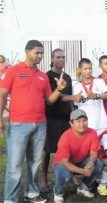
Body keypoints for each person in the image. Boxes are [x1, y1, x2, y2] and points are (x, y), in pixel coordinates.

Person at [0, 40, 67, 203]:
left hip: (40, 125)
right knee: (14, 166)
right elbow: (2, 95)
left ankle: (31, 193)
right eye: (37, 52)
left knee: (34, 162)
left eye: (42, 53)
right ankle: (10, 199)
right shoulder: (13, 71)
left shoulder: (42, 76)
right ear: (27, 51)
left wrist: (58, 90)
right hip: (18, 125)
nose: (40, 56)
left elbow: (49, 100)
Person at [40, 48, 83, 192]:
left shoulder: (68, 77)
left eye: (63, 57)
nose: (61, 60)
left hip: (66, 119)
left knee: (67, 148)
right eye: (58, 57)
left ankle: (70, 174)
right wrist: (75, 98)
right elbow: (57, 96)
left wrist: (73, 114)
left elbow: (68, 97)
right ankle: (43, 178)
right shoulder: (47, 76)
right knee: (47, 149)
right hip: (51, 117)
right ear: (52, 59)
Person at [52, 109, 103, 202]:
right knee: (66, 175)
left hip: (80, 161)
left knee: (98, 165)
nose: (82, 124)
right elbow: (64, 163)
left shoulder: (92, 132)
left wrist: (91, 163)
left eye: (84, 120)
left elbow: (94, 153)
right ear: (71, 123)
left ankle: (83, 188)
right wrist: (83, 171)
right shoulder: (65, 137)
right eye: (78, 121)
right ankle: (58, 192)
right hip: (62, 163)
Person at [72, 58, 107, 135]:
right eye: (85, 69)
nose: (88, 71)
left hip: (101, 123)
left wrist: (96, 96)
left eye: (90, 68)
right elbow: (74, 106)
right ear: (80, 69)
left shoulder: (99, 81)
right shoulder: (76, 86)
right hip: (86, 125)